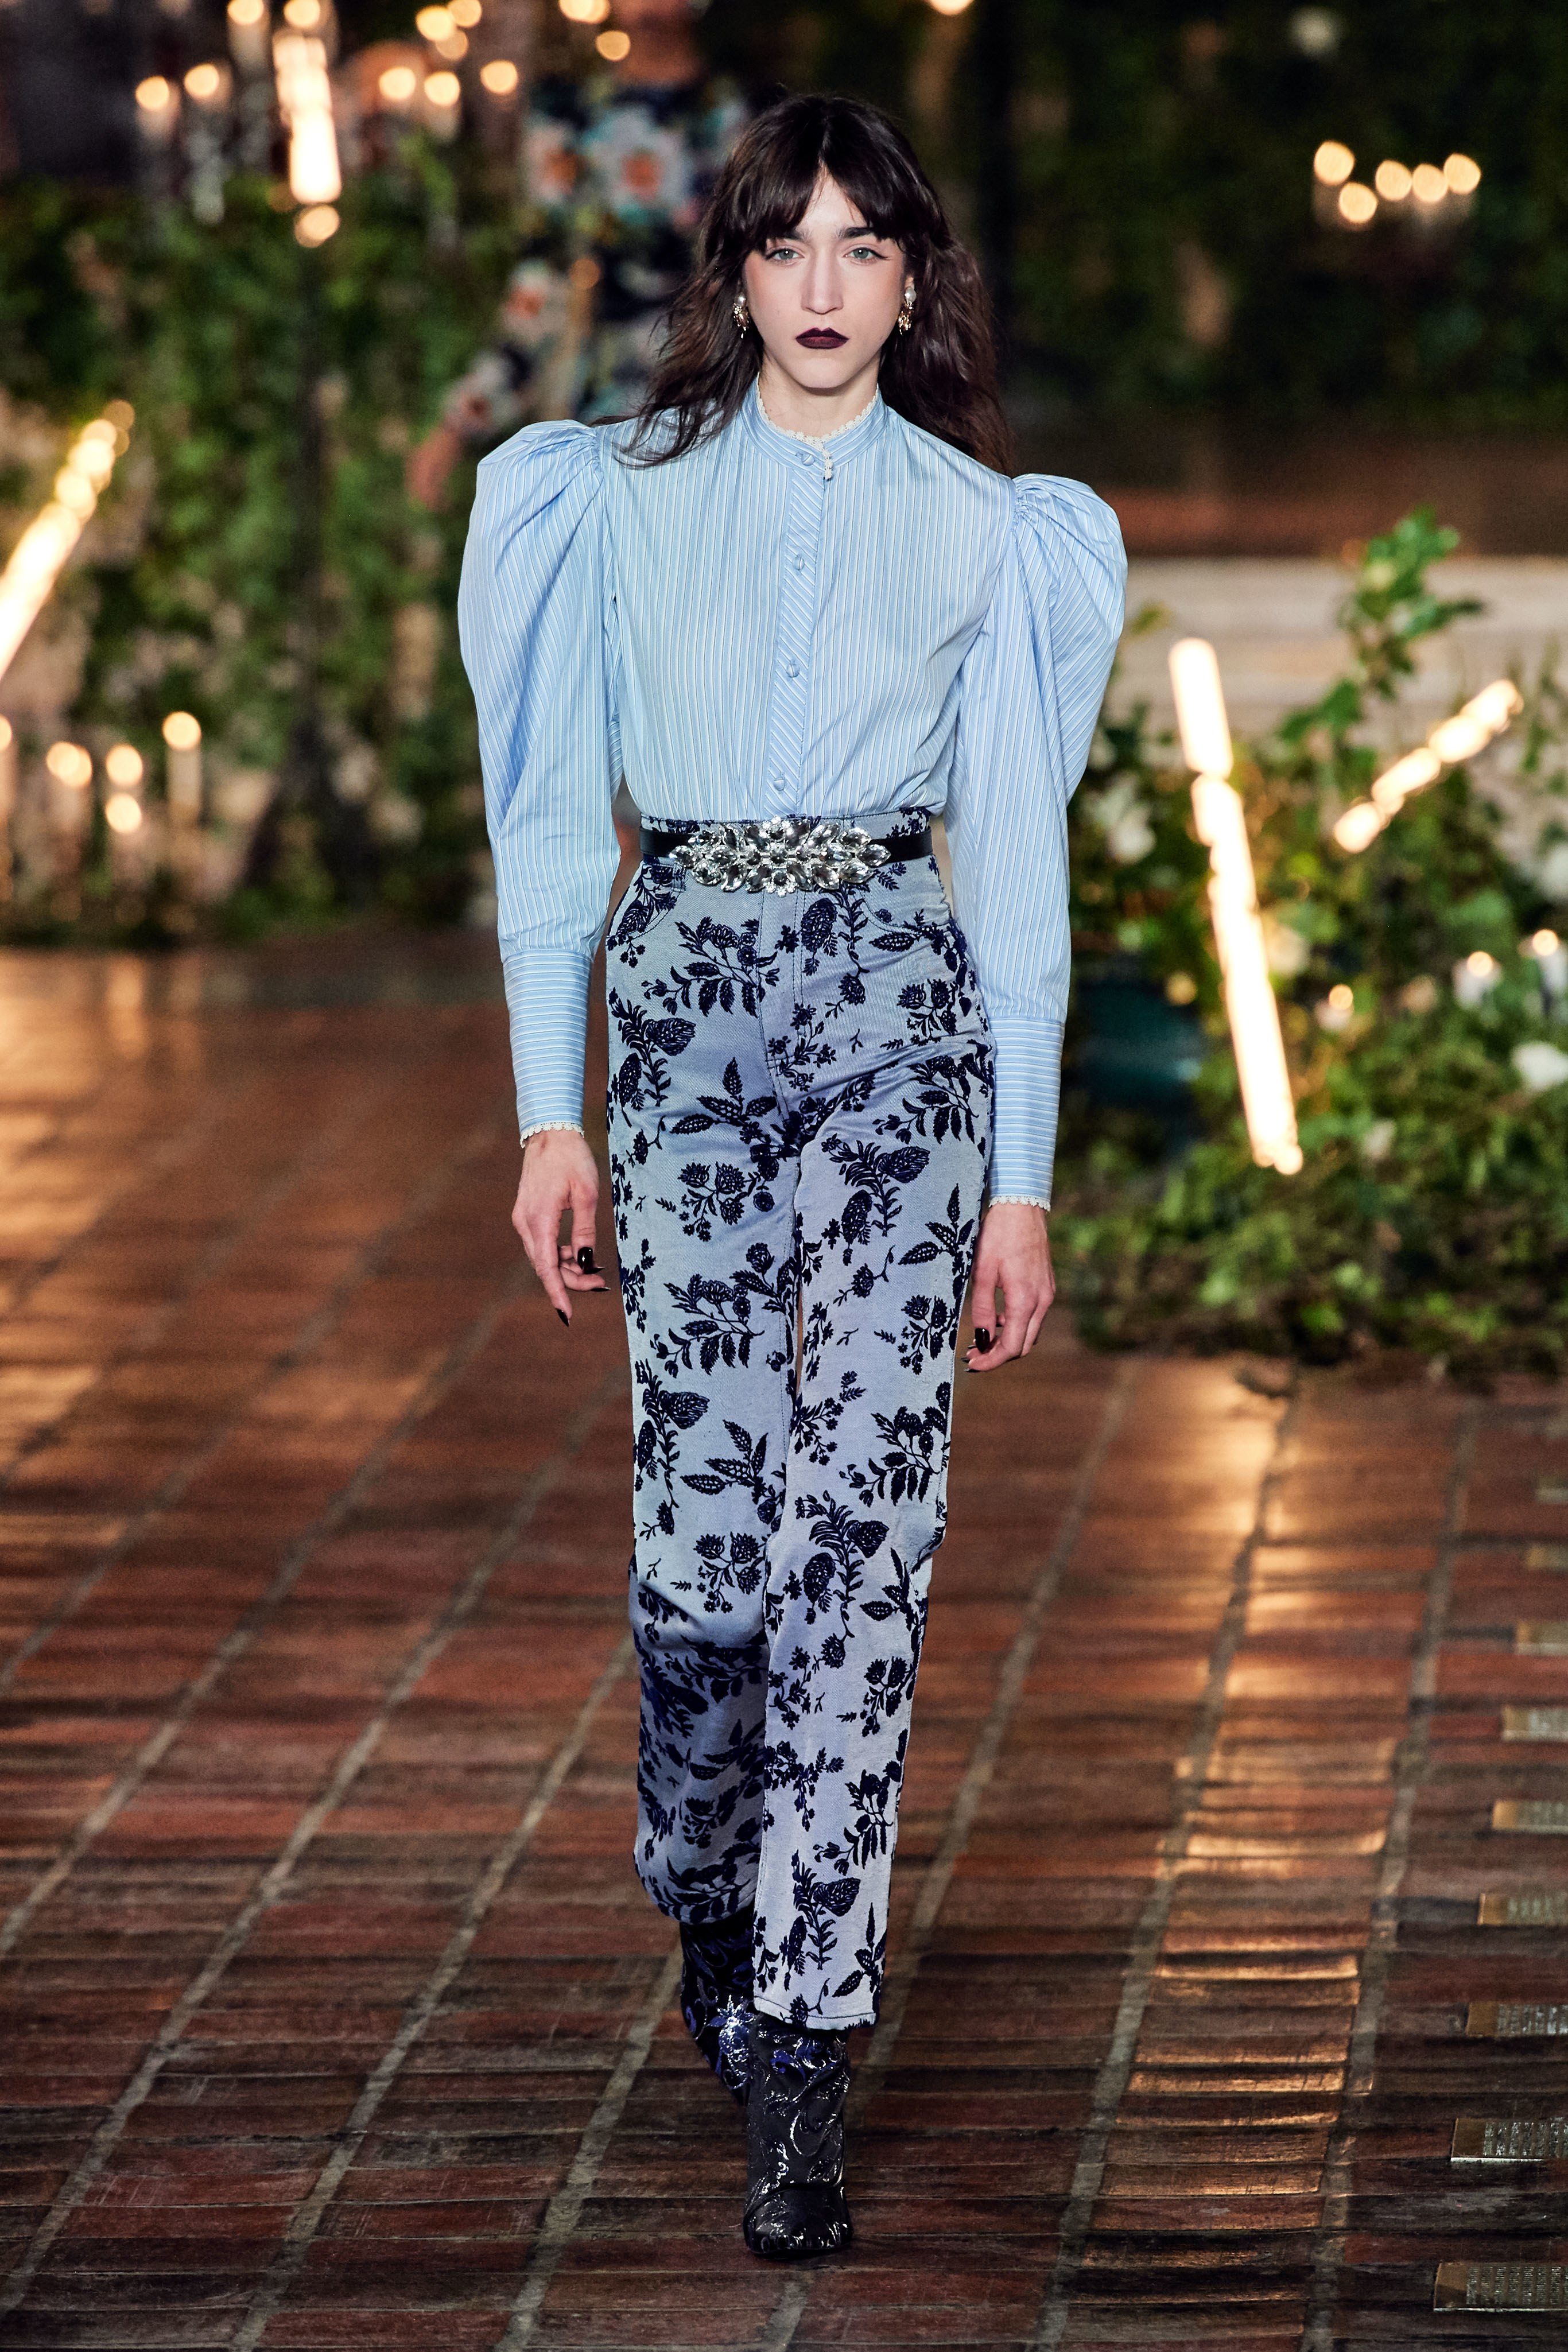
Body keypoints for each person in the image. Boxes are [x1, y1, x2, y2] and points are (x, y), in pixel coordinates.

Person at [458, 92, 1124, 2263]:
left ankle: (804, 2040)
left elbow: (1012, 880)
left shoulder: (990, 532)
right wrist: (548, 1113)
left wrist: (1019, 1182)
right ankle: (706, 1873)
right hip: (682, 1018)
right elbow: (552, 826)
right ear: (734, 272)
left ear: (911, 278)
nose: (824, 286)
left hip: (897, 1021)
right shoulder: (606, 501)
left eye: (862, 246)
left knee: (865, 1537)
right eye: (786, 244)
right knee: (711, 1546)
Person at [408, 0, 746, 509]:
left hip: (716, 418)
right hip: (599, 424)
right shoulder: (570, 116)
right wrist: (463, 418)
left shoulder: (743, 123)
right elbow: (542, 279)